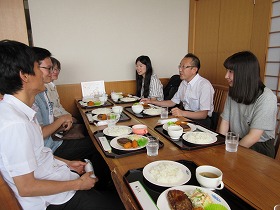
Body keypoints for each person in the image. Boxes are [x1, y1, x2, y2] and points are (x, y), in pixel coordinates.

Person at [0, 40, 124, 210]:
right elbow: (26, 187)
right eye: (39, 68)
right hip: (54, 200)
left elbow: (38, 154)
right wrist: (78, 184)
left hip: (60, 179)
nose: (48, 75)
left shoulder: (22, 112)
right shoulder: (15, 124)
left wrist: (67, 163)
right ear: (25, 75)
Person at [32, 47, 113, 190]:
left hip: (54, 142)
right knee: (98, 143)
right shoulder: (32, 97)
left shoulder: (43, 91)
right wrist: (64, 118)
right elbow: (39, 133)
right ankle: (101, 185)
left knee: (96, 137)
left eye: (54, 69)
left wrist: (65, 118)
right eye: (49, 69)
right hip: (52, 147)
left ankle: (98, 179)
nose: (53, 72)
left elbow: (54, 113)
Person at [218, 51, 277, 158]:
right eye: (227, 70)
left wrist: (230, 153)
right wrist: (221, 144)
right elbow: (225, 122)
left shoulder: (266, 97)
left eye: (231, 71)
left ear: (244, 73)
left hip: (259, 147)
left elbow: (254, 137)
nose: (226, 76)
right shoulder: (234, 91)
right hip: (236, 142)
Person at [141, 53, 214, 128]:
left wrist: (182, 113)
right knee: (159, 124)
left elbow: (203, 115)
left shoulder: (204, 85)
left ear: (194, 70)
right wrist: (151, 101)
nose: (180, 69)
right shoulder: (183, 83)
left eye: (184, 67)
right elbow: (172, 102)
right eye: (180, 66)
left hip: (201, 121)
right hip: (186, 117)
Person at [45, 56, 76, 121]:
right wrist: (68, 118)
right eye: (53, 69)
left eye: (58, 69)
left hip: (62, 118)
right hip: (55, 122)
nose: (56, 72)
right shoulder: (44, 88)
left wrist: (69, 116)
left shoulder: (52, 86)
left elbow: (59, 107)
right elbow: (51, 111)